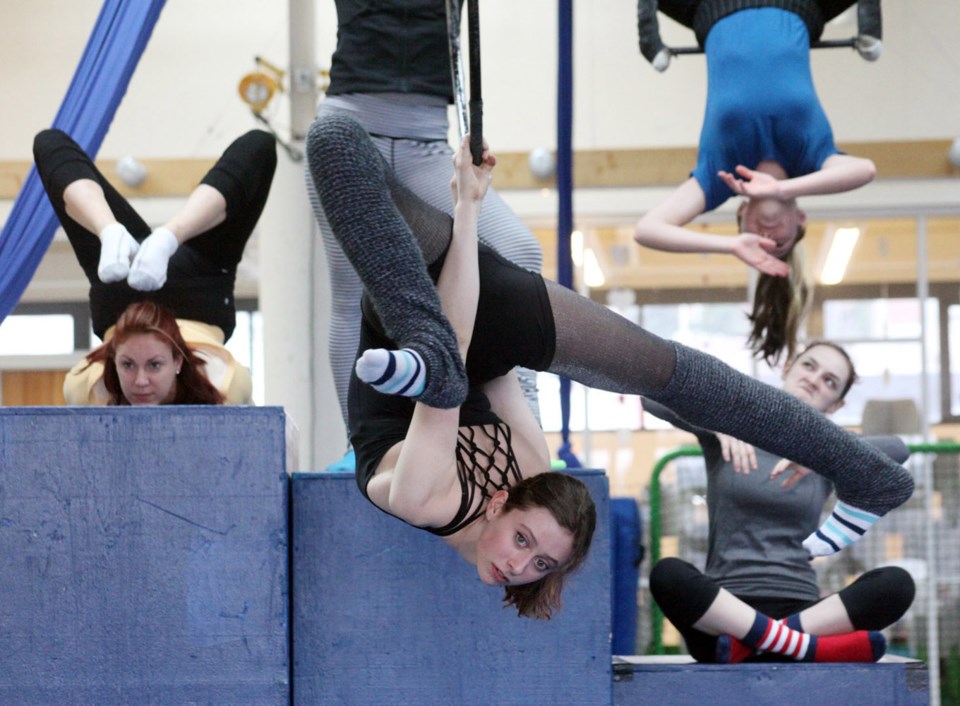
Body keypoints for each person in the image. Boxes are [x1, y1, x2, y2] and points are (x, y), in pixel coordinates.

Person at [305, 112, 913, 619]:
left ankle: (870, 475)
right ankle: (870, 475)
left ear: (497, 504)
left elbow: (461, 366)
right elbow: (485, 360)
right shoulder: (530, 469)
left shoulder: (420, 499)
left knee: (336, 142)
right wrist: (465, 210)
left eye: (531, 554)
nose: (519, 566)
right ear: (503, 500)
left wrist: (467, 212)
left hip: (415, 316)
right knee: (673, 373)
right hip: (458, 320)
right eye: (539, 558)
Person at [305, 0, 544, 466]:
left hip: (425, 142)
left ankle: (527, 431)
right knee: (352, 287)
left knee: (517, 250)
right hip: (348, 127)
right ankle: (362, 447)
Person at [633, 1, 879, 364]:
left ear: (743, 216)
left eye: (756, 240)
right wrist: (783, 188)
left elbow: (647, 229)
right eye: (778, 243)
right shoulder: (810, 159)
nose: (767, 235)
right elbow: (865, 169)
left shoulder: (721, 175)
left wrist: (731, 247)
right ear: (800, 220)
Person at [645, 341, 915, 663]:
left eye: (830, 381)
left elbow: (899, 449)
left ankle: (759, 643)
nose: (815, 379)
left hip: (798, 614)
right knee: (667, 573)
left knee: (897, 584)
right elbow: (649, 396)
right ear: (788, 369)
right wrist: (714, 424)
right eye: (809, 366)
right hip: (723, 614)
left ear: (836, 405)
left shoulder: (831, 452)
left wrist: (822, 450)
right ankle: (794, 645)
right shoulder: (732, 427)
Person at [32, 128, 277, 405]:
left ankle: (110, 230)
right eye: (129, 365)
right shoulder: (223, 386)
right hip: (199, 289)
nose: (140, 382)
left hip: (121, 289)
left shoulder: (88, 389)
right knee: (261, 146)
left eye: (153, 365)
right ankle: (169, 235)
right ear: (179, 361)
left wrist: (104, 228)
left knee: (49, 143)